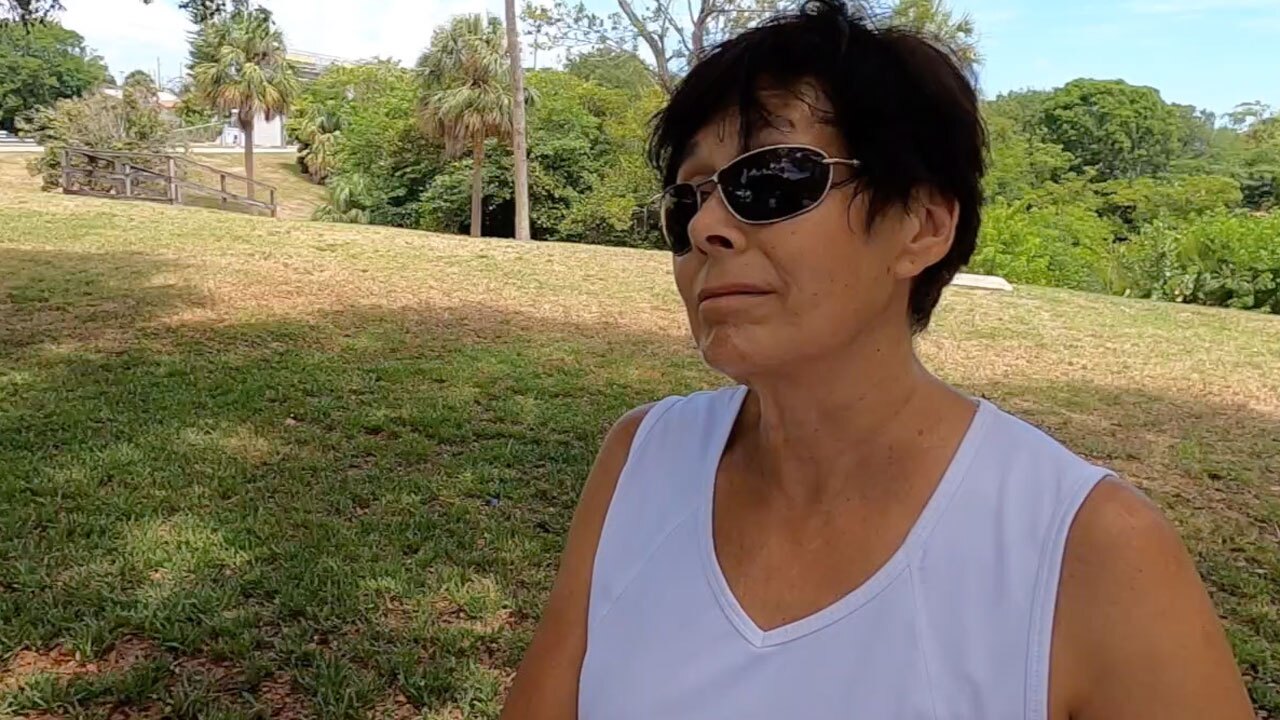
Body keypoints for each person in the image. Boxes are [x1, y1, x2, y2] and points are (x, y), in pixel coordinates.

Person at [500, 2, 1255, 718]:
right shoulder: (641, 459)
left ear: (922, 227)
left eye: (772, 180)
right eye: (687, 200)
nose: (706, 229)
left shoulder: (1091, 549)